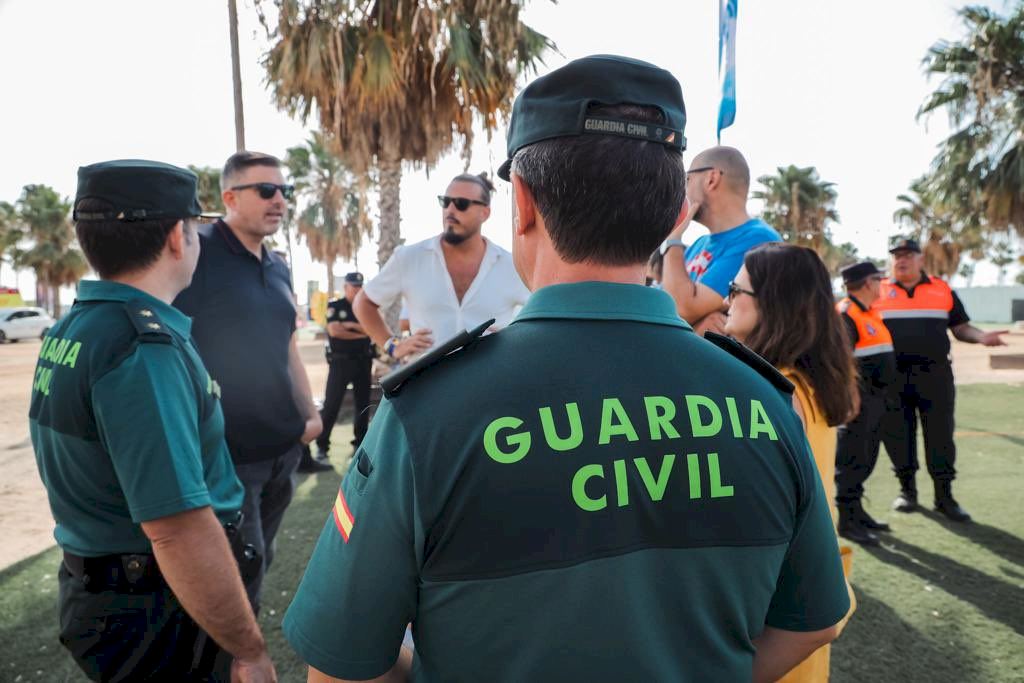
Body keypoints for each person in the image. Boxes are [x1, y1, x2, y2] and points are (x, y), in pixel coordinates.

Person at [283, 54, 849, 683]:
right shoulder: (764, 400)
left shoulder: (427, 413)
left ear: (522, 204)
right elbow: (814, 623)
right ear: (675, 217)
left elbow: (342, 665)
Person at [30, 160, 275, 682]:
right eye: (195, 227)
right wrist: (249, 650)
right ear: (176, 238)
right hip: (157, 608)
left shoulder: (76, 327)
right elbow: (178, 530)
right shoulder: (142, 348)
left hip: (106, 588)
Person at [173, 151, 324, 611]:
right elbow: (169, 346)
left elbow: (287, 346)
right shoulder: (197, 253)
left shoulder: (277, 264)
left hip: (283, 450)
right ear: (230, 198)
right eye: (266, 190)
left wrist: (311, 416)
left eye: (284, 191)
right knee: (239, 573)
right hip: (228, 456)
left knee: (260, 559)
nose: (279, 200)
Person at [723, 242, 859, 683]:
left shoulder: (772, 393)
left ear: (773, 304)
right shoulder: (804, 383)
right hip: (807, 585)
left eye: (735, 290)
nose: (725, 299)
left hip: (775, 597)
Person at [873, 238, 1007, 522]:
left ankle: (944, 497)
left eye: (908, 255)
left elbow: (960, 328)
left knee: (941, 437)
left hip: (935, 376)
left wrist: (981, 337)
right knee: (897, 435)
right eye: (896, 255)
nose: (901, 260)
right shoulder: (877, 290)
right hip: (891, 378)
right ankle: (907, 491)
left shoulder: (942, 289)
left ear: (921, 259)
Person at [353, 171, 530, 361]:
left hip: (490, 378)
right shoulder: (409, 258)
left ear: (485, 213)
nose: (450, 210)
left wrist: (514, 340)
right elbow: (363, 302)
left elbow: (542, 312)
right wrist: (392, 345)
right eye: (445, 202)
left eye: (461, 204)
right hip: (426, 379)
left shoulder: (511, 264)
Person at [661, 146, 780, 334]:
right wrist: (696, 330)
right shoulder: (699, 244)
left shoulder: (759, 242)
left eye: (687, 179)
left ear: (712, 179)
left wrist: (673, 239)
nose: (683, 189)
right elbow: (661, 314)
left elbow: (678, 310)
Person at [834, 261, 898, 545]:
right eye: (878, 280)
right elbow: (841, 361)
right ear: (868, 283)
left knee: (866, 459)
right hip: (859, 401)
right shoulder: (846, 313)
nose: (882, 285)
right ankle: (847, 521)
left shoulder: (869, 311)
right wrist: (852, 396)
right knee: (852, 460)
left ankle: (857, 513)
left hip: (876, 399)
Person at [315, 272, 373, 460]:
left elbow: (372, 329)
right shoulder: (335, 306)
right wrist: (361, 331)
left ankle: (360, 444)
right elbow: (334, 331)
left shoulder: (366, 305)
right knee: (331, 404)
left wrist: (350, 325)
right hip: (340, 362)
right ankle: (322, 446)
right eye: (353, 286)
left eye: (359, 286)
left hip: (363, 361)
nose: (357, 289)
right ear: (346, 287)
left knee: (363, 405)